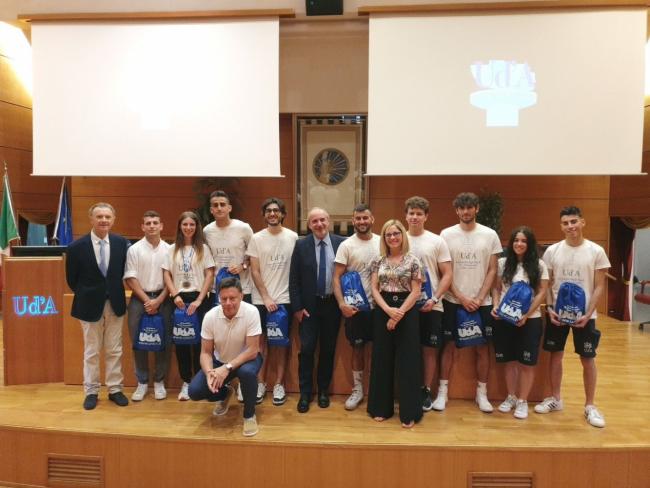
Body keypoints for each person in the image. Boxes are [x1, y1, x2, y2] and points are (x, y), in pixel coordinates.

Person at [536, 206, 610, 428]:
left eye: (574, 221)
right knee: (555, 356)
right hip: (558, 314)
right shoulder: (552, 251)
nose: (570, 226)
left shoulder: (596, 251)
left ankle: (590, 405)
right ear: (561, 226)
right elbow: (548, 284)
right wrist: (550, 308)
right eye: (566, 223)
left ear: (582, 222)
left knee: (587, 358)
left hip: (585, 316)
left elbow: (599, 286)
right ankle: (556, 399)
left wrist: (588, 313)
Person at [436, 192, 501, 413]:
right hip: (453, 300)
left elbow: (493, 269)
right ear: (457, 211)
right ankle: (442, 392)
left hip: (482, 302)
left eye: (469, 207)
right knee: (448, 346)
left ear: (476, 208)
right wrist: (461, 297)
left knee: (482, 348)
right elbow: (444, 271)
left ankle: (482, 394)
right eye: (461, 208)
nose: (465, 212)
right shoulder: (446, 234)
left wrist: (480, 297)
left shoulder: (490, 234)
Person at [65, 202, 130, 410]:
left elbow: (123, 273)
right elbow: (72, 279)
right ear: (91, 219)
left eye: (107, 217)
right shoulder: (76, 247)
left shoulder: (121, 244)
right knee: (92, 351)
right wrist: (91, 294)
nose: (103, 220)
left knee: (114, 349)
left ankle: (115, 389)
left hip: (115, 304)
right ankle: (91, 391)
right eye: (99, 216)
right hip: (88, 305)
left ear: (113, 220)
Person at [188, 277, 263, 437]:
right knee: (194, 391)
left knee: (247, 373)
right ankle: (225, 393)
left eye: (232, 298)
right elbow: (205, 352)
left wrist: (227, 368)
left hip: (246, 360)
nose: (228, 303)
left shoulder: (252, 312)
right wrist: (210, 372)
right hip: (220, 361)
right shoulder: (210, 316)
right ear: (219, 298)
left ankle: (249, 415)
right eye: (224, 299)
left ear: (241, 296)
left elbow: (253, 350)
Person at [289, 207, 345, 413]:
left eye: (322, 220)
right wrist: (297, 308)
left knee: (328, 350)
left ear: (328, 221)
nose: (319, 224)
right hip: (308, 307)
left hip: (333, 305)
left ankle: (323, 391)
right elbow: (293, 279)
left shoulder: (341, 243)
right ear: (309, 225)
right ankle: (305, 393)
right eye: (314, 221)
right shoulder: (301, 245)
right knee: (307, 350)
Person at [368, 219, 422, 428]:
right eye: (388, 234)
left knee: (408, 361)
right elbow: (374, 289)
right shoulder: (378, 261)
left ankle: (409, 412)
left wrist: (398, 314)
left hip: (407, 309)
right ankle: (380, 408)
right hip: (383, 309)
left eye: (396, 233)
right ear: (384, 238)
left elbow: (416, 291)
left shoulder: (413, 260)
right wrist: (388, 310)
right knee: (382, 358)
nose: (392, 237)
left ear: (402, 236)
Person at [490, 226, 549, 419]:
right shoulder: (503, 263)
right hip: (505, 318)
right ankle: (511, 396)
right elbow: (496, 288)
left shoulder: (539, 265)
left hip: (529, 320)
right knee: (509, 360)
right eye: (516, 240)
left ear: (530, 244)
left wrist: (526, 315)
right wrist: (496, 306)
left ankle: (523, 401)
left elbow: (542, 292)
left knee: (526, 362)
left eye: (523, 241)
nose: (519, 244)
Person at [203, 190, 254, 402]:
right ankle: (226, 383)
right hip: (218, 293)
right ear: (211, 209)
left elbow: (254, 255)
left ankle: (241, 383)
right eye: (215, 205)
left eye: (222, 204)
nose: (219, 208)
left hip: (242, 291)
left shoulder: (243, 228)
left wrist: (243, 265)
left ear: (229, 207)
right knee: (222, 341)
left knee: (242, 340)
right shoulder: (207, 231)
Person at [247, 197, 298, 406]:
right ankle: (260, 383)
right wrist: (266, 297)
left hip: (285, 299)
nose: (272, 213)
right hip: (261, 300)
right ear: (264, 214)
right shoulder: (256, 238)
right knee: (261, 344)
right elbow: (255, 271)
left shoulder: (293, 237)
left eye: (276, 210)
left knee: (281, 344)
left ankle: (279, 384)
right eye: (268, 210)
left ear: (283, 214)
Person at [404, 196, 453, 411]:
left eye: (419, 214)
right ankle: (407, 389)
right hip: (405, 305)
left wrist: (435, 298)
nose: (414, 217)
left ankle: (425, 390)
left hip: (432, 305)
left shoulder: (437, 241)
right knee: (407, 349)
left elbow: (447, 274)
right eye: (411, 213)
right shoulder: (398, 238)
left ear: (426, 216)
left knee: (429, 350)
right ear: (406, 216)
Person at [162, 211, 215, 401]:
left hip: (198, 299)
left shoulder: (204, 249)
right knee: (182, 343)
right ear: (179, 227)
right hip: (179, 300)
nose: (188, 228)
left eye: (192, 224)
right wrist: (175, 294)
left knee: (201, 343)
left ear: (197, 227)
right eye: (185, 224)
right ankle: (186, 381)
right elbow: (166, 274)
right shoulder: (171, 249)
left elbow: (210, 274)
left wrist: (199, 299)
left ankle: (200, 383)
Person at [333, 204, 381, 410]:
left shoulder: (383, 241)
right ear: (353, 221)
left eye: (365, 218)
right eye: (358, 218)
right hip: (356, 309)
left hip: (381, 307)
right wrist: (341, 304)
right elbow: (336, 277)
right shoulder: (346, 245)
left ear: (372, 219)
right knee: (358, 349)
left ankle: (378, 390)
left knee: (380, 350)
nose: (362, 222)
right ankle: (358, 389)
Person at [124, 210, 173, 401]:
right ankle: (142, 382)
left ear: (161, 226)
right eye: (148, 223)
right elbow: (130, 278)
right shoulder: (134, 249)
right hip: (139, 299)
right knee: (138, 341)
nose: (152, 226)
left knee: (164, 341)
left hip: (164, 298)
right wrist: (147, 300)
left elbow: (172, 278)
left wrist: (158, 300)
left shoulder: (169, 249)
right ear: (142, 227)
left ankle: (159, 381)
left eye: (155, 223)